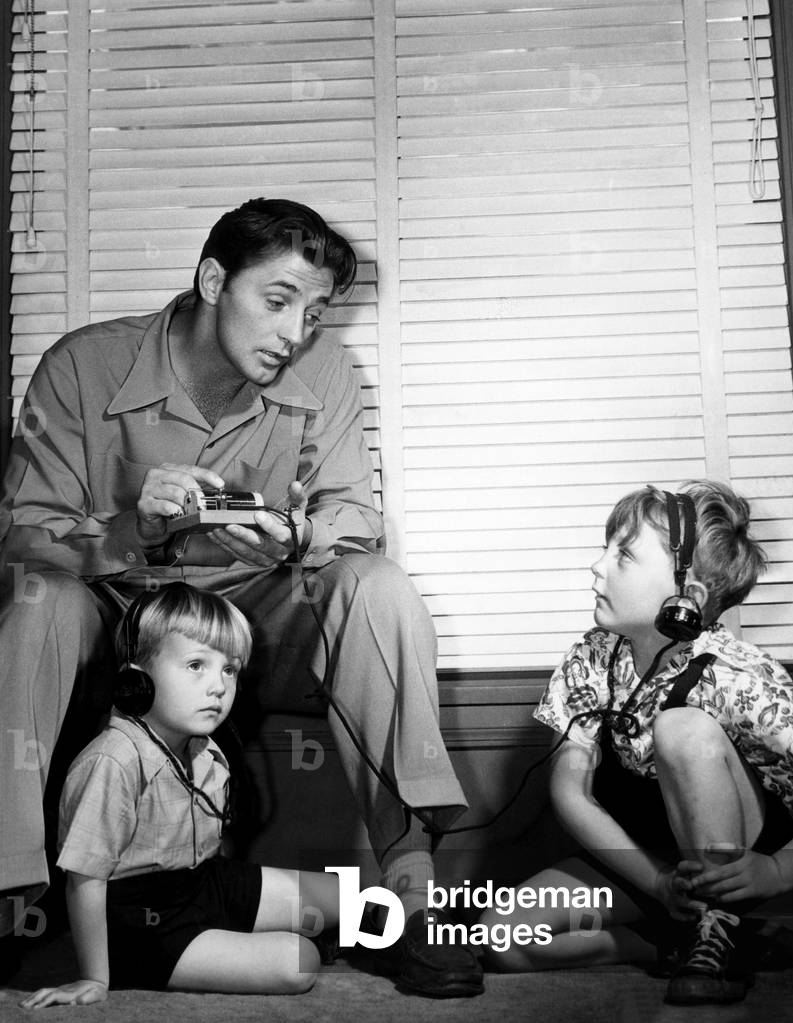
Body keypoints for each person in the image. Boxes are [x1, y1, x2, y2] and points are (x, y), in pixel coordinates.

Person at [0, 198, 483, 998]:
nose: (297, 331)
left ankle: (408, 888)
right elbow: (21, 537)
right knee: (36, 601)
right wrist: (129, 528)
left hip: (257, 620)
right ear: (213, 278)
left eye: (316, 310)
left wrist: (296, 539)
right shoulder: (81, 365)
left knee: (378, 586)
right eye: (278, 299)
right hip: (120, 622)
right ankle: (11, 894)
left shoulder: (324, 369)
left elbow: (356, 518)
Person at [479, 480, 793, 1006]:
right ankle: (665, 944)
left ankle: (718, 930)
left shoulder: (737, 673)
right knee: (503, 938)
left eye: (625, 555)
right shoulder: (591, 660)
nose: (599, 565)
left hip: (733, 857)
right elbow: (571, 793)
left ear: (688, 598)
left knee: (679, 726)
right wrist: (657, 882)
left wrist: (781, 870)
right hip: (642, 855)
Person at [19, 582, 340, 1007]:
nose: (219, 687)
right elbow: (84, 878)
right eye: (195, 665)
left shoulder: (204, 747)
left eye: (229, 669)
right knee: (299, 962)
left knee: (343, 897)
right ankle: (250, 947)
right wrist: (95, 978)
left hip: (202, 883)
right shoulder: (111, 761)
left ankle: (254, 938)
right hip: (142, 921)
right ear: (137, 677)